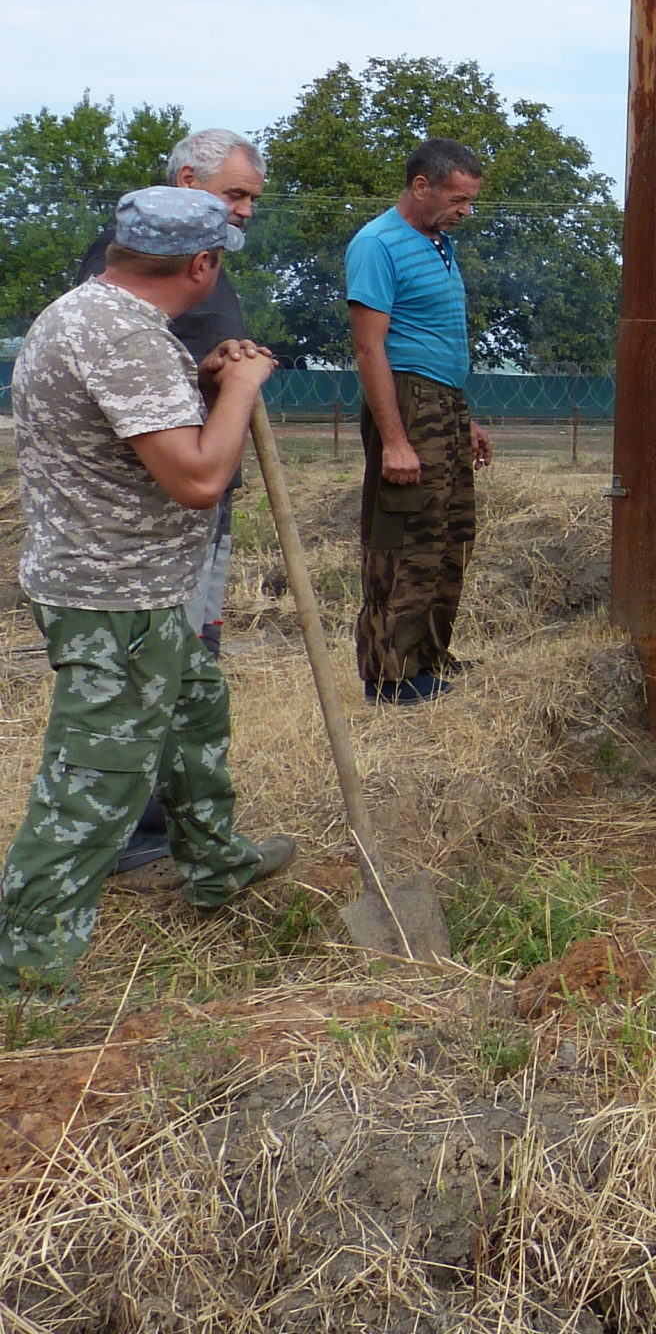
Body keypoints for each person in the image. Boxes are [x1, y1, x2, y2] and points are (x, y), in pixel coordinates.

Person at [0, 187, 296, 1001]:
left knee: (196, 716)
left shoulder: (89, 314)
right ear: (201, 265)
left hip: (134, 589)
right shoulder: (122, 336)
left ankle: (216, 864)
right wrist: (243, 387)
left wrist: (203, 378)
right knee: (95, 784)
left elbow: (132, 425)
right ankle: (26, 977)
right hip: (115, 599)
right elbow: (197, 479)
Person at [73, 129, 267, 874]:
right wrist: (229, 384)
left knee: (191, 662)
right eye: (235, 194)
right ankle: (128, 835)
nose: (245, 210)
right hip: (157, 509)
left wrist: (217, 371)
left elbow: (172, 371)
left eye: (251, 198)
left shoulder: (201, 257)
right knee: (153, 670)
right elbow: (132, 382)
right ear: (188, 181)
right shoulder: (134, 262)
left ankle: (184, 833)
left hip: (198, 495)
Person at [346, 138, 493, 704]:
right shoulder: (377, 244)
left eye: (471, 200)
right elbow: (370, 350)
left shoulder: (438, 243)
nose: (466, 211)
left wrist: (464, 418)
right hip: (406, 401)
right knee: (404, 538)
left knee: (448, 534)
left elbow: (437, 340)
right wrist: (395, 441)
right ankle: (390, 677)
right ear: (421, 185)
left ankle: (428, 659)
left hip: (444, 402)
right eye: (458, 199)